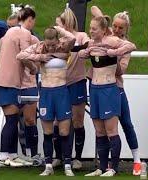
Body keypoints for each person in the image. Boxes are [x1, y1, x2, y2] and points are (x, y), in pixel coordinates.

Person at [80, 16, 136, 177]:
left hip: (109, 89)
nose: (91, 31)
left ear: (103, 30)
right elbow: (80, 53)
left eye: (94, 29)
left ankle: (114, 168)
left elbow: (131, 45)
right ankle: (101, 167)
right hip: (95, 89)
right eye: (90, 28)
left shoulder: (111, 41)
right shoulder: (91, 43)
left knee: (111, 130)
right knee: (99, 131)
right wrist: (84, 52)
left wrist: (115, 52)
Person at [17, 26, 76, 176]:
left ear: (57, 40)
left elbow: (72, 38)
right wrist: (40, 57)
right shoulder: (39, 47)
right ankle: (48, 165)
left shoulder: (63, 45)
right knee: (48, 131)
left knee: (64, 131)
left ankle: (67, 164)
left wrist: (58, 28)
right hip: (46, 92)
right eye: (48, 45)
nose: (50, 47)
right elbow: (20, 56)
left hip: (61, 90)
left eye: (52, 44)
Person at [90, 6, 142, 175]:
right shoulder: (108, 36)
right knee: (100, 128)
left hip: (115, 87)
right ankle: (103, 166)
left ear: (126, 29)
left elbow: (121, 72)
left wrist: (113, 56)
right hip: (98, 85)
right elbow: (94, 9)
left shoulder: (124, 46)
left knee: (126, 123)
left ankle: (136, 160)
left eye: (121, 27)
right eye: (116, 26)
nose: (118, 29)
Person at [0, 7, 36, 167]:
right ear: (30, 19)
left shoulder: (7, 35)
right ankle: (4, 156)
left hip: (3, 81)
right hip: (9, 82)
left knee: (11, 118)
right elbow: (25, 55)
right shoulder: (24, 33)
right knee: (11, 119)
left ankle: (11, 154)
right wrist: (33, 68)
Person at [51, 8, 90, 170]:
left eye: (60, 24)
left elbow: (85, 45)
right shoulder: (59, 40)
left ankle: (77, 158)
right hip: (59, 84)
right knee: (56, 121)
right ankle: (59, 156)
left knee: (77, 120)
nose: (58, 27)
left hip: (77, 83)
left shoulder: (80, 36)